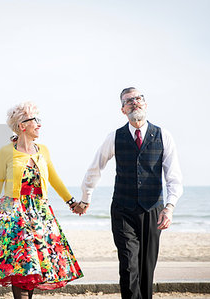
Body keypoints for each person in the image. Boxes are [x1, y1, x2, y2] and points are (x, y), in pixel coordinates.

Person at [75, 87, 183, 299]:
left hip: (153, 210)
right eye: (128, 101)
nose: (134, 102)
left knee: (146, 267)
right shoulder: (115, 137)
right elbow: (95, 168)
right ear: (123, 110)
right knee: (128, 265)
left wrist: (170, 208)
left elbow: (174, 176)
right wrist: (85, 198)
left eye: (138, 98)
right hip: (123, 210)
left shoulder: (163, 135)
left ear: (145, 104)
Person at [0, 102, 83, 299]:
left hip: (39, 214)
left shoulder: (43, 150)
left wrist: (71, 202)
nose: (39, 124)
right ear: (22, 125)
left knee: (34, 266)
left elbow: (54, 179)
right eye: (35, 120)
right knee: (22, 264)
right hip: (13, 215)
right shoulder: (6, 151)